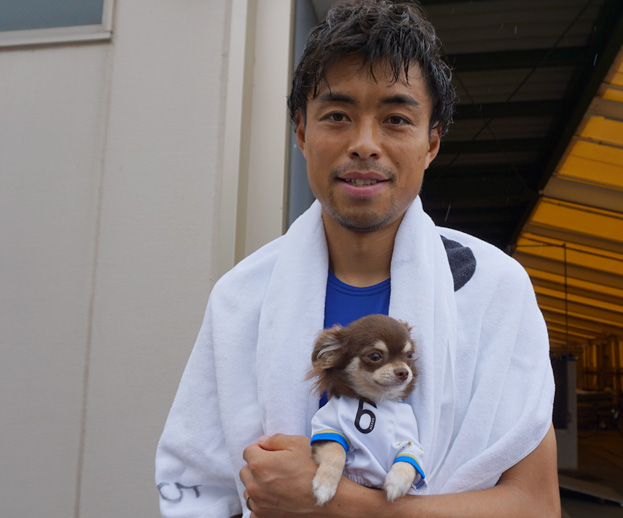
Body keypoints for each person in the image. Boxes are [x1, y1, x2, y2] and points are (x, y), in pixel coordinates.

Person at [155, 1, 559, 517]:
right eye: (338, 116)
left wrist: (339, 504)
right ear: (301, 133)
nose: (365, 144)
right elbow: (193, 488)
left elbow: (536, 505)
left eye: (396, 119)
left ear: (432, 142)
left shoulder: (494, 291)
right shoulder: (241, 298)